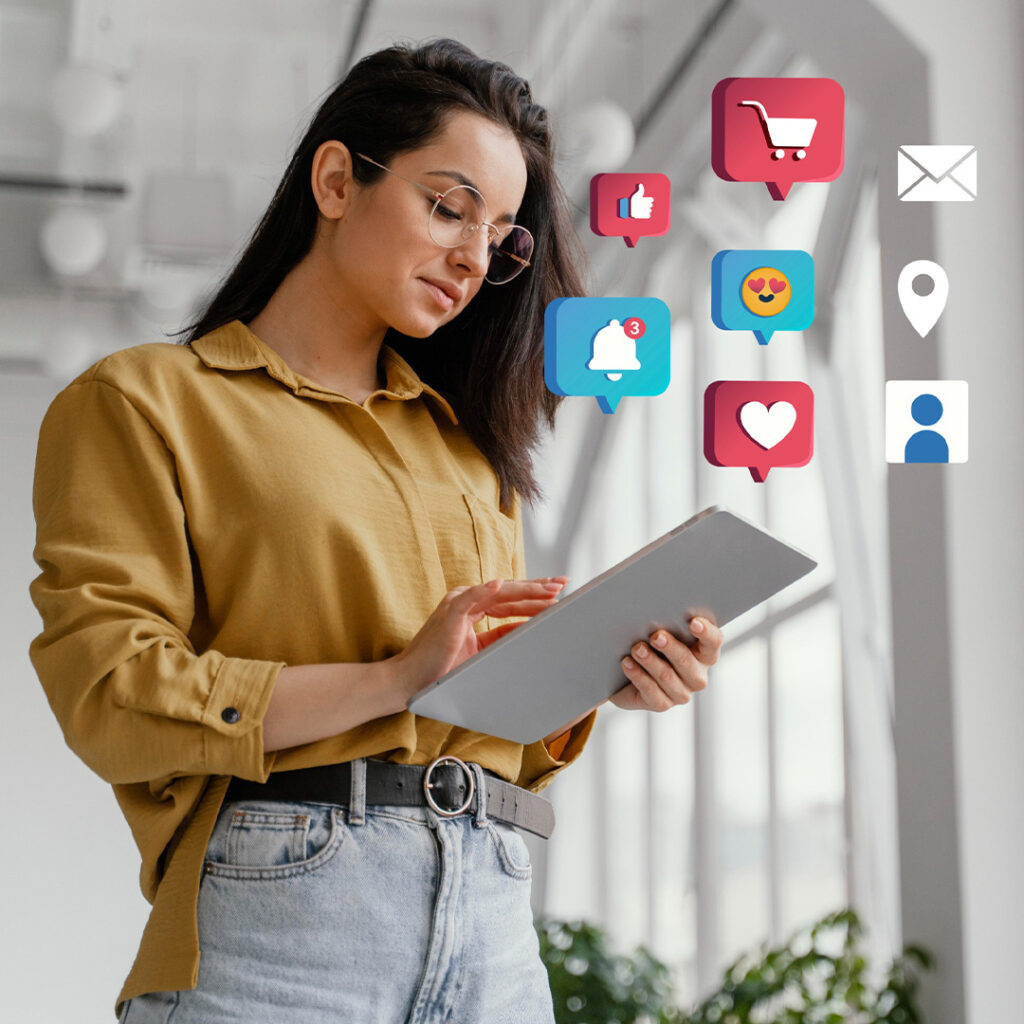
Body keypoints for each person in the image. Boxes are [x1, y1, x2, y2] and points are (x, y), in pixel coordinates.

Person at [28, 38, 723, 1024]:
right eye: (448, 207)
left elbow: (491, 731)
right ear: (336, 179)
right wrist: (394, 678)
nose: (475, 257)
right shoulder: (144, 403)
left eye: (500, 238)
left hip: (495, 919)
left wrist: (600, 675)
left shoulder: (470, 452)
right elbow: (111, 693)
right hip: (282, 928)